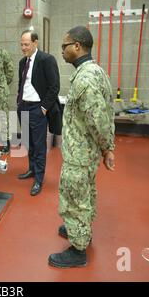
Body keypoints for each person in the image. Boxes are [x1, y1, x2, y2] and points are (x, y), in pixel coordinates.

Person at [48, 26, 115, 268]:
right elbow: (108, 111)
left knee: (74, 198)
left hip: (80, 153)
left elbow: (98, 119)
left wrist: (108, 147)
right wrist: (107, 148)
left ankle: (78, 250)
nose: (62, 51)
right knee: (84, 192)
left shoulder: (85, 79)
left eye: (64, 46)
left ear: (77, 46)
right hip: (86, 152)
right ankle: (80, 229)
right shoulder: (95, 71)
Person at [17, 30, 61, 196]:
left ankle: (39, 179)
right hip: (24, 107)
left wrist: (43, 108)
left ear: (35, 43)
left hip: (37, 109)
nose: (23, 47)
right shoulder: (23, 62)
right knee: (28, 143)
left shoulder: (46, 60)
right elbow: (22, 84)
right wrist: (18, 103)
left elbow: (54, 87)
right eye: (21, 44)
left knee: (39, 145)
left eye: (26, 44)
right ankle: (32, 170)